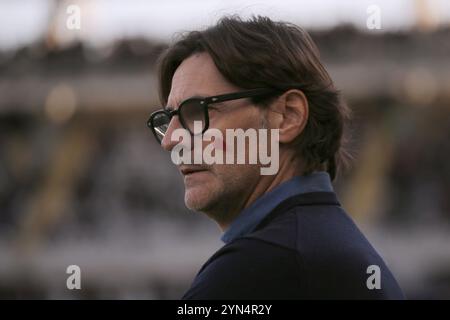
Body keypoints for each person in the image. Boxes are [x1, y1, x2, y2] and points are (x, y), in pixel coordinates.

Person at [147, 15, 404, 299]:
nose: (170, 141)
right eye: (167, 119)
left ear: (287, 116)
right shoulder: (327, 246)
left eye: (196, 112)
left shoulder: (256, 269)